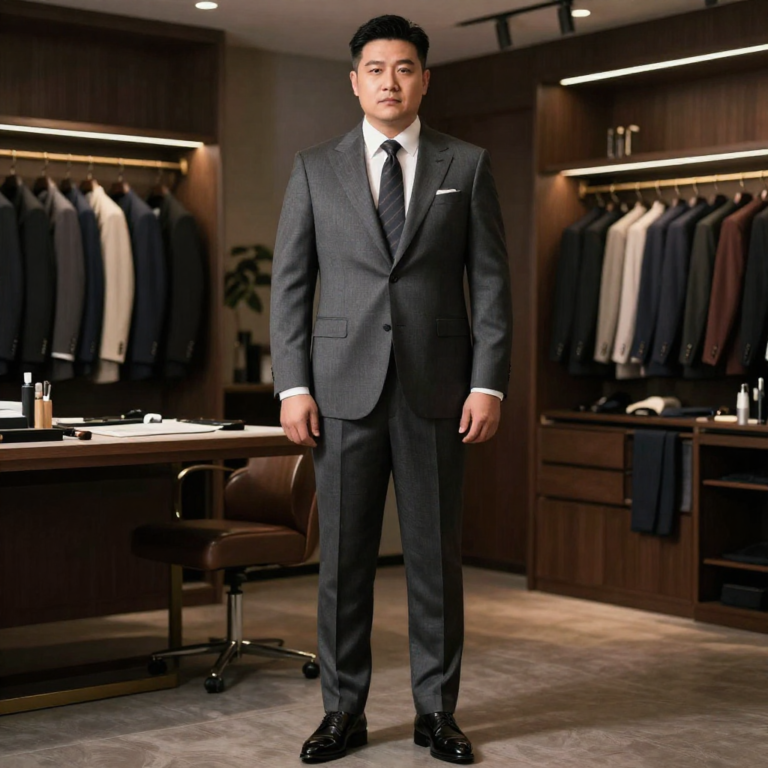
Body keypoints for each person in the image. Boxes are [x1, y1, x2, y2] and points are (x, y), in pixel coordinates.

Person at [270, 14, 512, 764]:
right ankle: (341, 712)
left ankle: (436, 714)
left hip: (438, 390)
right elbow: (290, 286)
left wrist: (489, 385)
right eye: (375, 69)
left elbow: (491, 284)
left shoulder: (466, 165)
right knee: (343, 564)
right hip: (339, 392)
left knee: (435, 562)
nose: (389, 82)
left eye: (404, 68)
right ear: (355, 81)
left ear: (424, 80)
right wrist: (292, 385)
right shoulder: (315, 168)